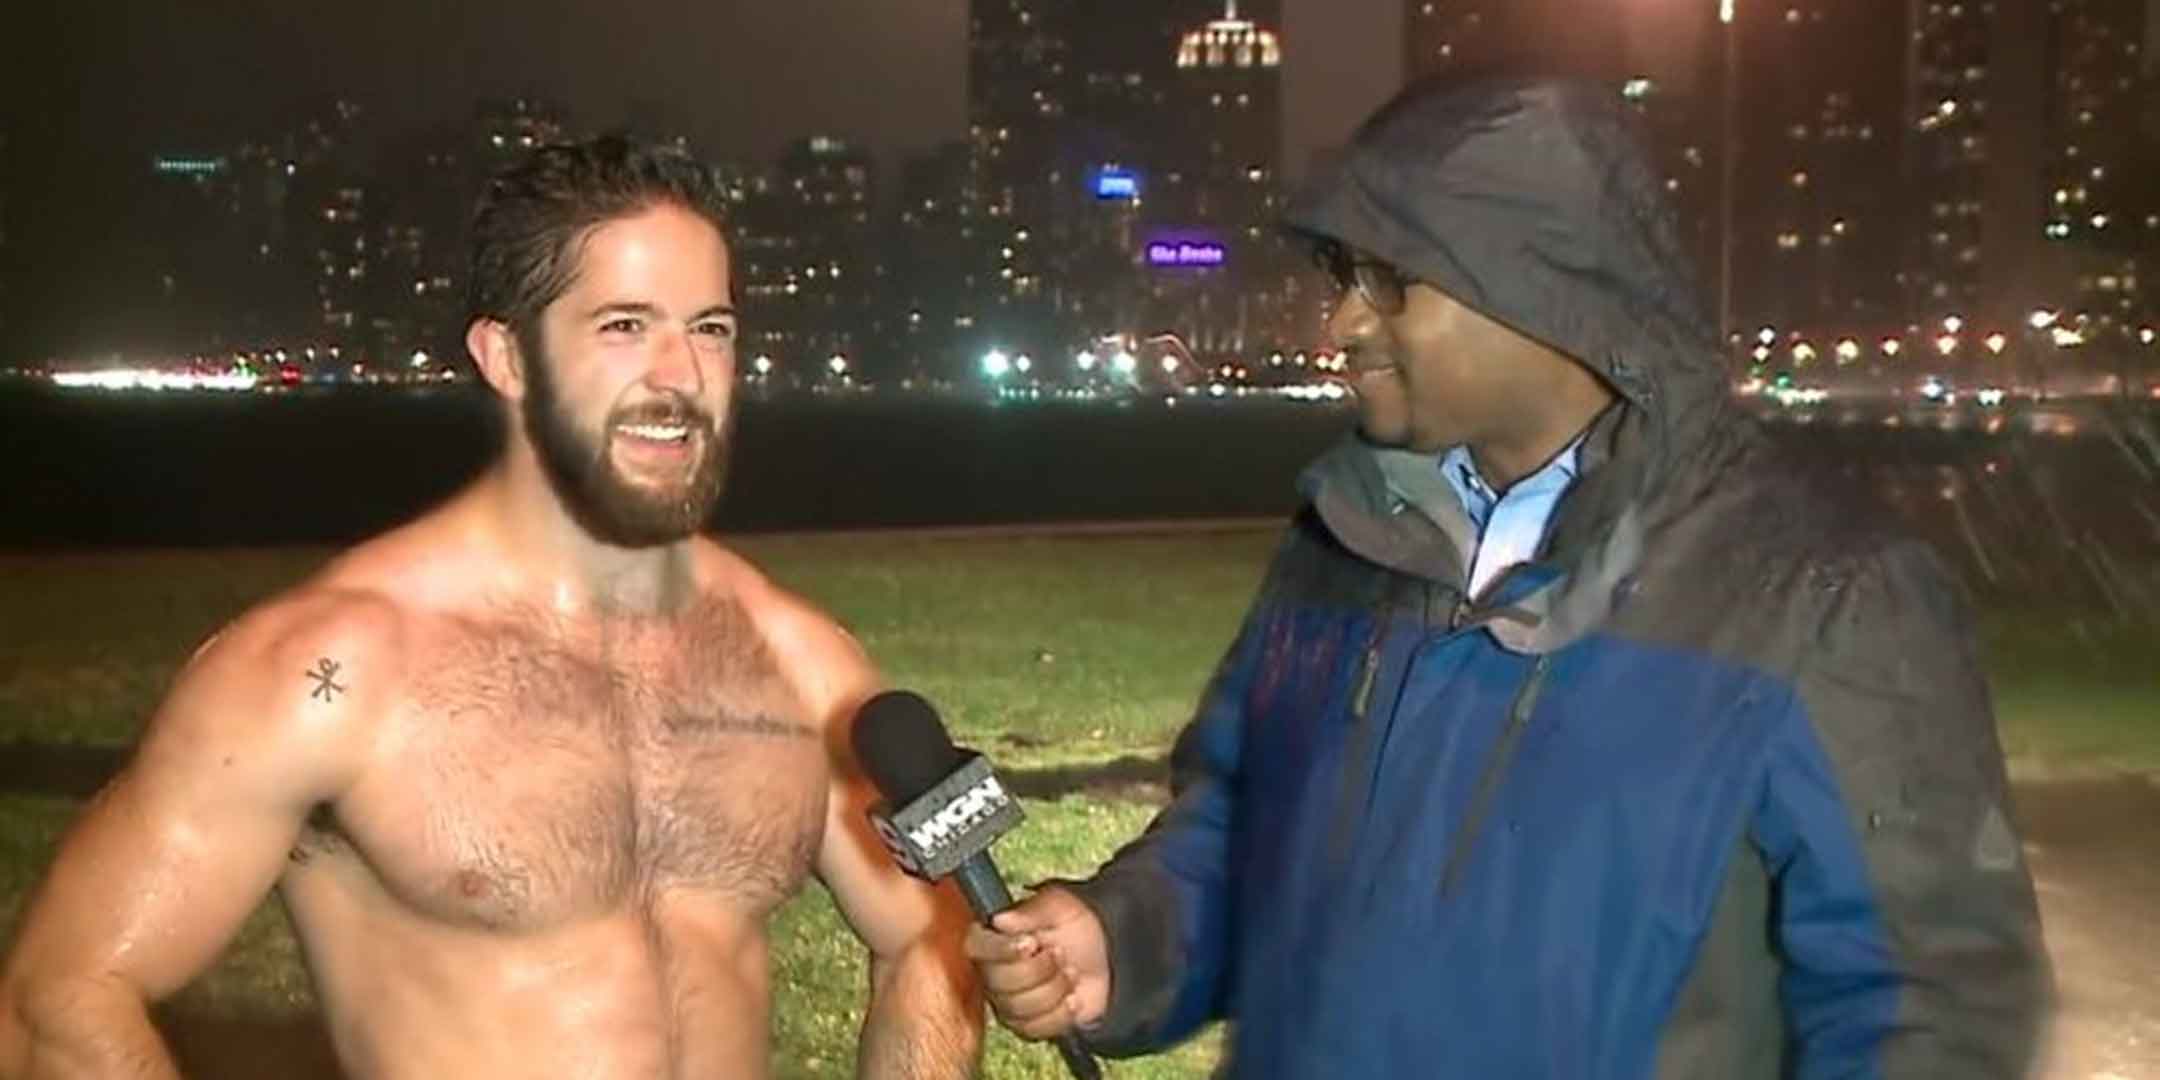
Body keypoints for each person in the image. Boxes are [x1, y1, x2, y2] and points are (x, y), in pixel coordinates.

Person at [967, 75, 2051, 1077]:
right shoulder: (1340, 541)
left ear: (1542, 292)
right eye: (1343, 280)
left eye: (1389, 282)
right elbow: (1246, 825)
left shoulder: (1825, 597)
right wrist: (1127, 935)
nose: (1343, 323)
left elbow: (1928, 1011)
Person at [0, 136, 982, 1079]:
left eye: (710, 329)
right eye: (625, 326)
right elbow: (60, 996)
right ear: (506, 358)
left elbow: (932, 942)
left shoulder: (798, 663)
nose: (681, 377)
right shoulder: (332, 670)